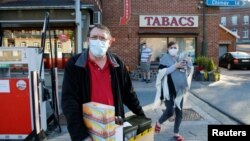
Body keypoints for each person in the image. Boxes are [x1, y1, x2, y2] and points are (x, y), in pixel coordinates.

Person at [61, 24, 146, 141]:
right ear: (88, 40)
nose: (98, 41)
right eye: (94, 37)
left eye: (102, 38)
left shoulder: (117, 63)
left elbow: (129, 93)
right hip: (87, 129)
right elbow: (69, 102)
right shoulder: (75, 64)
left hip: (114, 127)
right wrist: (81, 136)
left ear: (109, 42)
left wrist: (142, 117)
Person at [152, 41, 193, 141]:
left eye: (175, 47)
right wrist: (175, 66)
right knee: (170, 111)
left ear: (178, 49)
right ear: (168, 49)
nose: (173, 49)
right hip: (168, 90)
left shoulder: (181, 58)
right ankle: (158, 122)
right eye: (171, 47)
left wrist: (189, 63)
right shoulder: (164, 59)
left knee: (179, 113)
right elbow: (161, 73)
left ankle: (176, 133)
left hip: (179, 89)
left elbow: (188, 71)